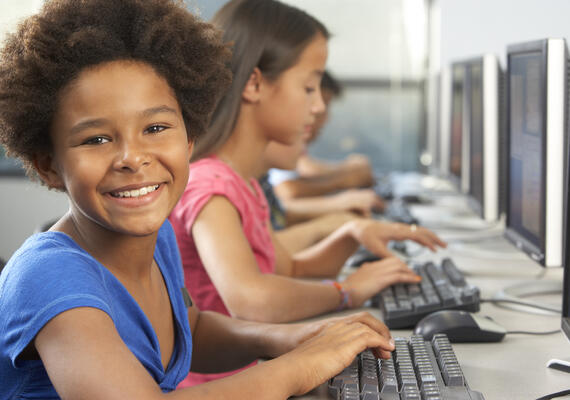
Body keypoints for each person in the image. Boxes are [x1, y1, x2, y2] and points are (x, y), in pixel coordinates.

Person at [0, 0, 399, 398]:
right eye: (97, 139)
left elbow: (191, 329)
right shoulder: (50, 278)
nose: (132, 158)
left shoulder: (157, 240)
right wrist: (300, 367)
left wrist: (292, 338)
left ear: (189, 140)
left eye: (156, 127)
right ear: (48, 164)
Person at [168, 0, 446, 386]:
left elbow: (290, 269)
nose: (317, 106)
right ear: (254, 84)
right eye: (309, 86)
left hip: (256, 374)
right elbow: (251, 298)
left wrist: (349, 235)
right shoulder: (210, 185)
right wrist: (347, 292)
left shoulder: (243, 183)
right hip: (227, 386)